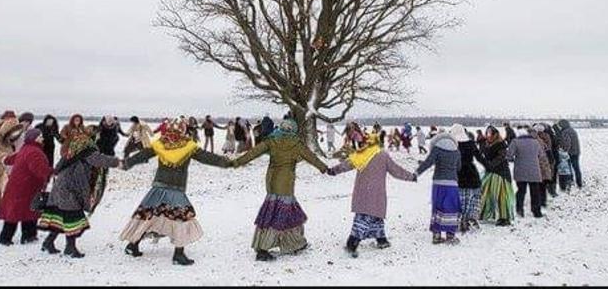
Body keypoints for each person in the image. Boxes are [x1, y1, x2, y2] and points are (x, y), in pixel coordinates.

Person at [118, 117, 232, 264]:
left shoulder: (161, 144)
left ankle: (132, 245)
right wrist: (226, 162)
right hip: (175, 189)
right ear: (183, 129)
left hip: (159, 187)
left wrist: (128, 162)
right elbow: (207, 157)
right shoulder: (188, 146)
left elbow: (143, 154)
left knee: (150, 216)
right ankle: (178, 255)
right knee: (181, 219)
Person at [230, 120, 328, 261]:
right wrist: (325, 168)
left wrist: (237, 162)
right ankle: (263, 249)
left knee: (289, 213)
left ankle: (296, 243)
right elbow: (312, 158)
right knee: (278, 216)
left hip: (272, 181)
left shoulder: (272, 140)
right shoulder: (296, 144)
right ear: (293, 130)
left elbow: (253, 152)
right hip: (285, 184)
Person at [327, 131, 416, 257]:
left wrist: (333, 171)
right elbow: (396, 171)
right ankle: (352, 243)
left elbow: (346, 165)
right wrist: (411, 177)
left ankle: (381, 239)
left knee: (372, 216)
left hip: (362, 192)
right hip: (377, 193)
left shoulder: (361, 154)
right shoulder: (383, 155)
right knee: (367, 216)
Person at [37, 132, 120, 258]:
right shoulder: (87, 153)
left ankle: (48, 242)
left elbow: (57, 169)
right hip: (70, 191)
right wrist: (120, 162)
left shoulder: (69, 153)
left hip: (60, 189)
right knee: (73, 219)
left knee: (60, 217)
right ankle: (70, 248)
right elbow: (101, 160)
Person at [0, 128, 53, 245]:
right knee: (25, 212)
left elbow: (9, 160)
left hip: (19, 186)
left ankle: (22, 236)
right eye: (40, 136)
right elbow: (39, 170)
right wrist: (53, 172)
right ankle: (17, 238)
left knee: (20, 213)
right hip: (26, 188)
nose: (42, 138)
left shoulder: (26, 149)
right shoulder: (34, 152)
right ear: (33, 138)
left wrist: (5, 159)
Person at [415, 130, 462, 244]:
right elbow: (459, 167)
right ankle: (450, 235)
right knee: (451, 208)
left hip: (438, 183)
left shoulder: (436, 149)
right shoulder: (456, 152)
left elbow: (427, 163)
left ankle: (436, 235)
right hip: (452, 184)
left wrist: (416, 174)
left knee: (437, 207)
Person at [450, 124, 485, 233]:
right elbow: (480, 158)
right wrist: (490, 166)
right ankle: (469, 219)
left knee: (458, 199)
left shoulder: (452, 145)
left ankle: (458, 220)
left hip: (457, 174)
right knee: (472, 198)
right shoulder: (471, 143)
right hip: (471, 174)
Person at [479, 126, 515, 226]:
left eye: (490, 134)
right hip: (490, 172)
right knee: (485, 192)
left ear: (495, 135)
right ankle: (484, 213)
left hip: (501, 173)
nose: (488, 136)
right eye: (487, 134)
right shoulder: (487, 144)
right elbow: (483, 154)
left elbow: (501, 158)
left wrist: (490, 165)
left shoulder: (501, 145)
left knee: (501, 196)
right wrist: (481, 143)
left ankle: (504, 218)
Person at [506, 126, 544, 218]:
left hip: (520, 170)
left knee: (521, 191)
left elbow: (509, 156)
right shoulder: (536, 142)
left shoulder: (515, 142)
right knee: (535, 191)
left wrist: (513, 159)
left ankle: (520, 210)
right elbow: (541, 154)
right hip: (534, 170)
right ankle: (536, 211)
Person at [533, 124, 555, 204]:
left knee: (538, 184)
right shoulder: (546, 136)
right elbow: (549, 148)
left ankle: (539, 200)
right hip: (544, 162)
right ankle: (543, 200)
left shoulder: (534, 139)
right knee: (543, 183)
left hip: (537, 163)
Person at [556, 119, 582, 187]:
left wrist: (564, 151)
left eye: (560, 125)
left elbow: (567, 143)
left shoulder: (565, 132)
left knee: (569, 168)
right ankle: (579, 183)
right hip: (576, 152)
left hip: (570, 153)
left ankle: (571, 181)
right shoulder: (572, 130)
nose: (559, 126)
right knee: (576, 168)